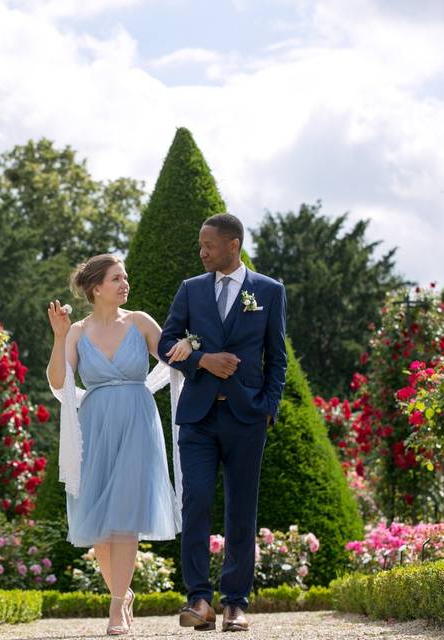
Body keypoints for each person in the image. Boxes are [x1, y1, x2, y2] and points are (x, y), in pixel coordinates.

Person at [47, 254, 192, 636]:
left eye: (125, 278)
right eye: (116, 278)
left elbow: (171, 356)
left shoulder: (141, 322)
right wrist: (60, 337)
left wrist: (189, 347)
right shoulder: (77, 331)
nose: (125, 284)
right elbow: (59, 381)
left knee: (125, 519)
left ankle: (115, 609)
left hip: (137, 424)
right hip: (94, 427)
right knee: (99, 527)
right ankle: (122, 594)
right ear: (96, 288)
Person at [157, 213, 287, 633]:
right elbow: (164, 343)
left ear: (233, 245)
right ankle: (198, 598)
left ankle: (235, 603)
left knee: (241, 511)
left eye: (207, 245)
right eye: (200, 245)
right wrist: (201, 360)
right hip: (197, 418)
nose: (201, 252)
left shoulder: (269, 291)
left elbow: (277, 356)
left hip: (247, 418)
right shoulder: (191, 291)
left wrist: (268, 406)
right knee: (195, 502)